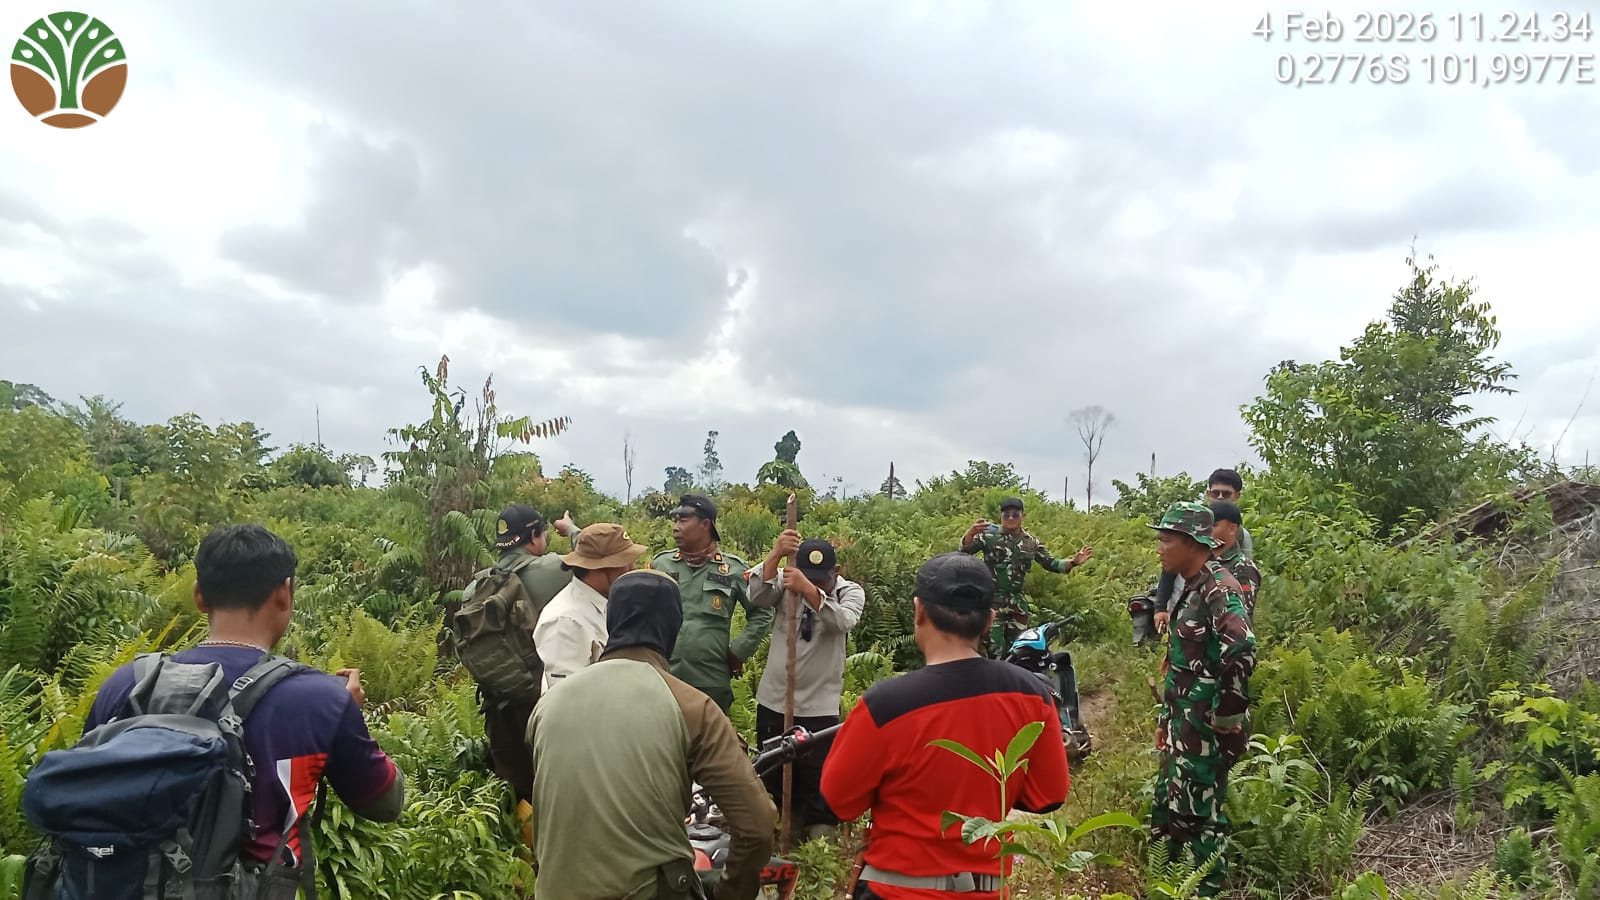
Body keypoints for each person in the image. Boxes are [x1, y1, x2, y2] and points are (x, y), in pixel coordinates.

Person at [83, 525, 405, 891]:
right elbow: (384, 802)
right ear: (284, 593)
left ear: (200, 596)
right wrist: (350, 712)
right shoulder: (321, 699)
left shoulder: (125, 685)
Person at [820, 552, 1070, 899]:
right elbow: (1049, 796)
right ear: (989, 621)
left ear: (918, 610)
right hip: (987, 891)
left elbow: (838, 801)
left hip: (896, 890)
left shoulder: (885, 704)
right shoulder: (1034, 695)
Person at [527, 570, 776, 900]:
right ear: (673, 629)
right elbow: (757, 826)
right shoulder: (691, 706)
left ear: (612, 621)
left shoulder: (547, 706)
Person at [1148, 502, 1256, 898]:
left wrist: (1226, 719)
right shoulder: (1191, 585)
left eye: (1166, 540)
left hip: (1204, 731)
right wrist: (1165, 720)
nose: (1159, 549)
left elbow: (1242, 648)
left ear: (1193, 543)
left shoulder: (1218, 588)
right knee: (1168, 813)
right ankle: (1165, 885)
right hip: (1182, 725)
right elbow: (1181, 663)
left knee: (1202, 822)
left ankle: (1204, 890)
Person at [747, 531, 866, 842]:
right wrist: (774, 555)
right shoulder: (786, 586)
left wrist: (810, 591)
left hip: (820, 704)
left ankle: (819, 841)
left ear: (836, 572)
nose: (817, 583)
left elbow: (842, 622)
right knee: (772, 768)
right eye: (807, 577)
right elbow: (756, 596)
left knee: (819, 776)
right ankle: (778, 831)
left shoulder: (849, 592)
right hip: (776, 698)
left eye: (823, 579)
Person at [469, 504, 577, 807]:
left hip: (497, 702)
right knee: (553, 783)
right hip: (540, 698)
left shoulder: (476, 585)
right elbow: (597, 555)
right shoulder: (555, 570)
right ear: (533, 535)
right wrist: (571, 530)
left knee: (515, 786)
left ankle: (515, 847)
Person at [650, 494, 774, 713]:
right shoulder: (661, 564)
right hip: (664, 673)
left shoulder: (734, 569)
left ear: (705, 524)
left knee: (709, 744)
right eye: (675, 520)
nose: (675, 527)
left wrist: (738, 651)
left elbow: (762, 611)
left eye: (684, 520)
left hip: (710, 678)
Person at [958, 497, 1091, 656]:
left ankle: (1016, 679)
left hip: (1017, 605)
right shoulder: (989, 536)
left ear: (1023, 516)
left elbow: (1051, 563)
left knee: (1020, 651)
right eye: (1006, 515)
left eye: (1015, 515)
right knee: (995, 650)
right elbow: (964, 551)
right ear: (1001, 517)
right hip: (992, 602)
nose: (1011, 518)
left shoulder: (1031, 543)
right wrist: (970, 533)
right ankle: (994, 679)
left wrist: (1074, 562)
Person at [533, 522, 648, 690]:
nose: (632, 568)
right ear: (598, 568)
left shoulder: (605, 604)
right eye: (625, 562)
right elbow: (566, 697)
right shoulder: (566, 622)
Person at [1151, 469, 1253, 622]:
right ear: (1208, 494)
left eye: (1226, 494)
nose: (1219, 498)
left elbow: (1245, 576)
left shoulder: (1241, 536)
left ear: (1237, 496)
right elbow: (1170, 567)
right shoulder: (1191, 523)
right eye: (1215, 493)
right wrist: (1160, 607)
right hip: (1183, 600)